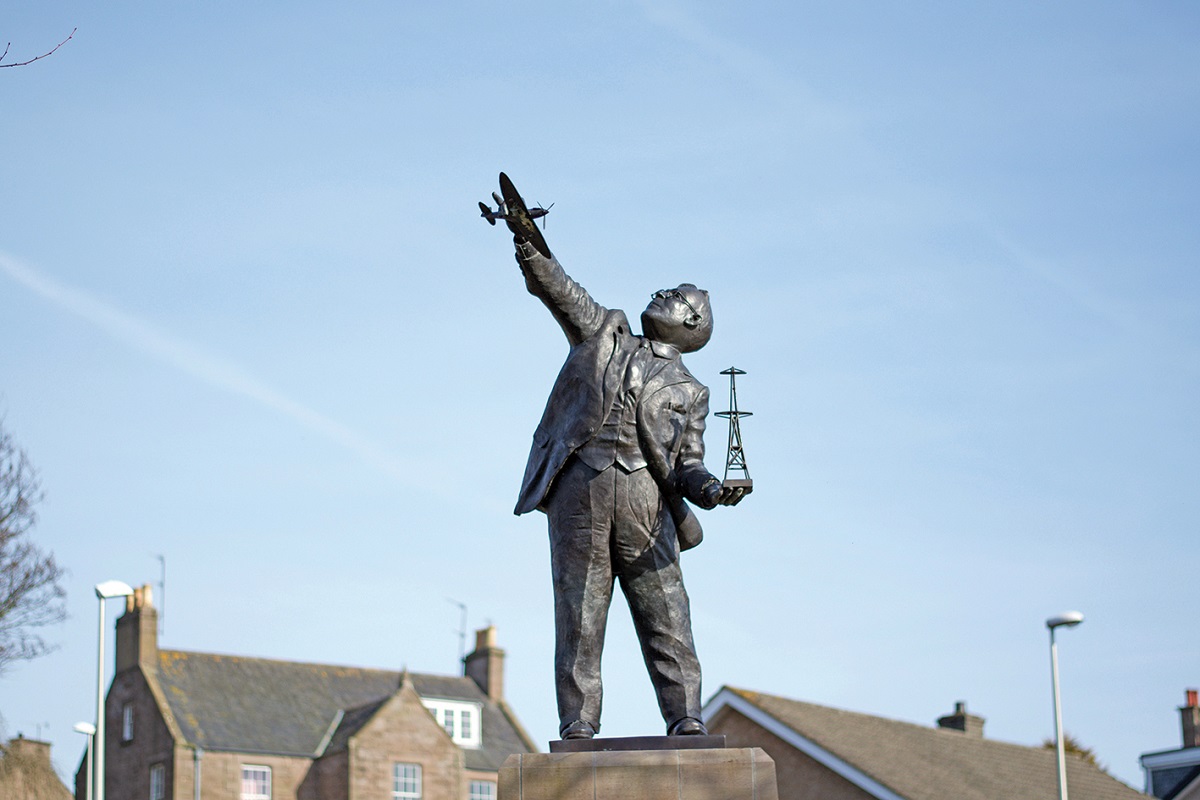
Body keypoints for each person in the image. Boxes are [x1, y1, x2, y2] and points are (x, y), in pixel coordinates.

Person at [498, 176, 748, 740]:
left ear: (692, 324)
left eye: (674, 296)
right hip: (580, 493)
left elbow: (688, 462)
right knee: (578, 613)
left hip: (647, 505)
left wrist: (712, 490)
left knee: (666, 613)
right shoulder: (603, 332)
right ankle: (578, 721)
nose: (660, 294)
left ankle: (685, 716)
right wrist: (527, 239)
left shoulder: (691, 392)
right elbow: (559, 289)